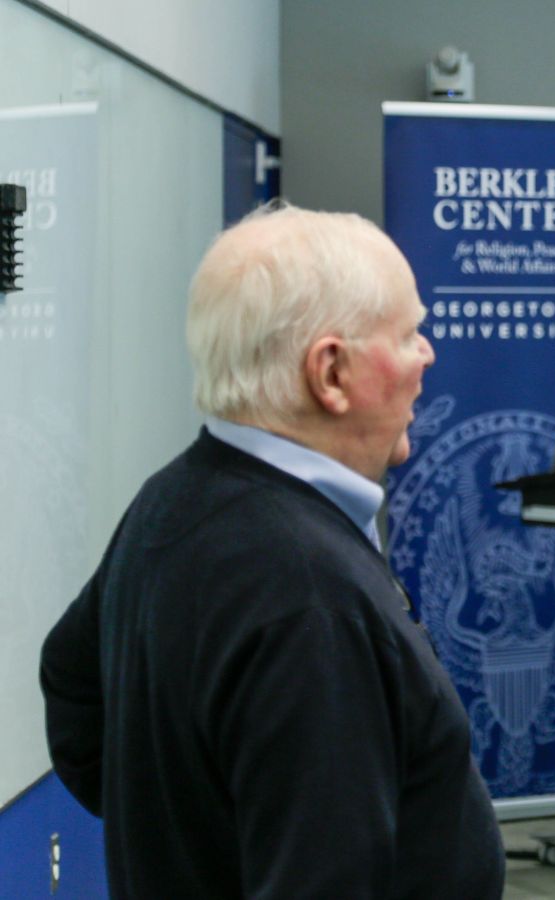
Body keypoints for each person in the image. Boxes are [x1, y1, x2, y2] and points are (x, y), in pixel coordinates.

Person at [39, 205, 505, 898]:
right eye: (410, 334)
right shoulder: (307, 595)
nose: (427, 356)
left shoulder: (170, 500)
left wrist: (185, 837)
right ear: (331, 373)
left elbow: (70, 684)